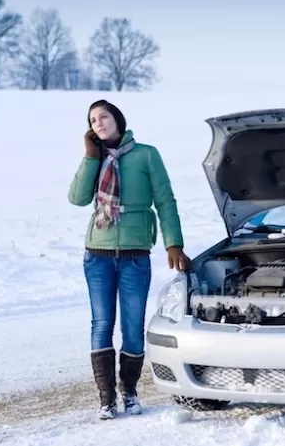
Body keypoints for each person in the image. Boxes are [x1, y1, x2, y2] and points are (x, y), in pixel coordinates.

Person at [68, 99, 192, 420]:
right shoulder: (96, 158)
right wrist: (90, 156)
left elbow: (165, 200)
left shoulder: (146, 155)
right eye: (92, 120)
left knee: (133, 327)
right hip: (97, 254)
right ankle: (106, 399)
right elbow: (78, 198)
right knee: (101, 324)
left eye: (103, 117)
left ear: (118, 119)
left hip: (135, 254)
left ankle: (131, 392)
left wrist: (173, 243)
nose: (98, 123)